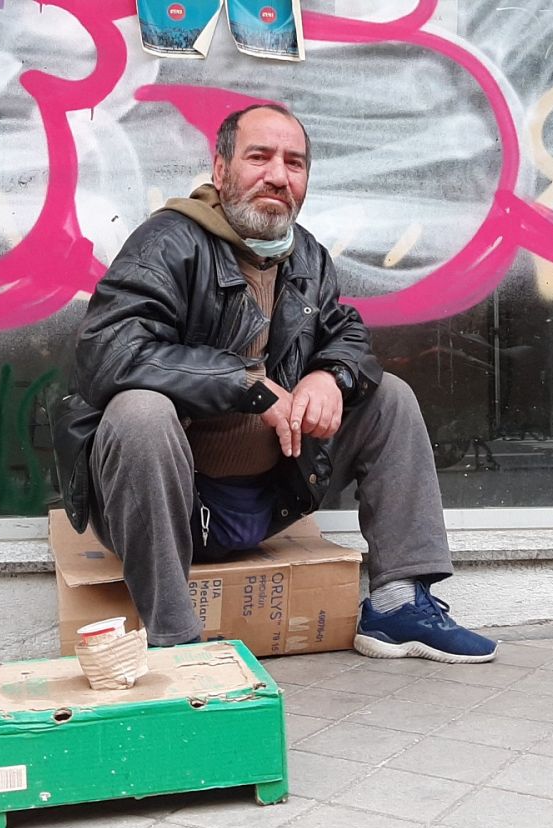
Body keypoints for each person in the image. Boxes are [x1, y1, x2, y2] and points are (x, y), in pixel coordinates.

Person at [52, 104, 498, 663]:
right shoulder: (167, 243)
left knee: (389, 398)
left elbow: (348, 335)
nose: (278, 176)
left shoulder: (306, 254)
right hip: (177, 512)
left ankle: (397, 606)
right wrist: (250, 386)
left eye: (295, 163)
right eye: (258, 158)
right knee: (138, 411)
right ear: (220, 169)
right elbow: (109, 352)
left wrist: (329, 376)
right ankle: (173, 639)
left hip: (267, 499)